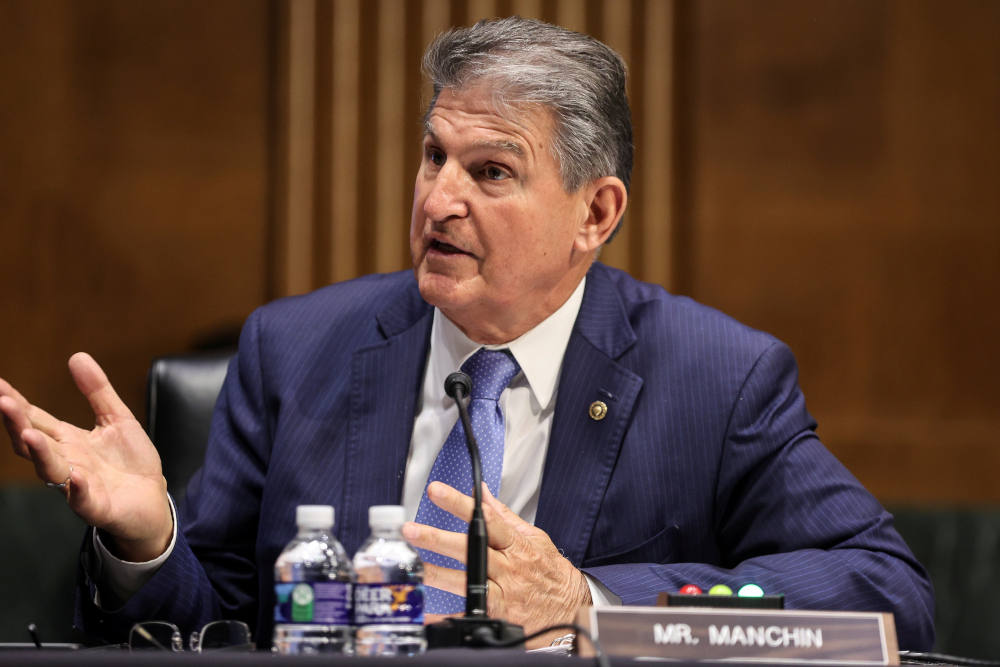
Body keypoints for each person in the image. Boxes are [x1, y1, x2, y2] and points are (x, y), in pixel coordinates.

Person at [0, 16, 934, 651]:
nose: (439, 198)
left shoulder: (716, 377)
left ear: (595, 212)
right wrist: (148, 538)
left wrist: (591, 607)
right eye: (433, 155)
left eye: (490, 171)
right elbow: (212, 626)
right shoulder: (293, 348)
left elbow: (889, 593)